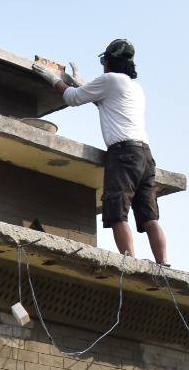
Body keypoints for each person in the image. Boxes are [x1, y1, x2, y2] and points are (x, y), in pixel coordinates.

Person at [48, 39, 169, 267]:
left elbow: (73, 98)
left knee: (117, 211)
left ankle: (129, 263)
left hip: (123, 154)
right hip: (145, 156)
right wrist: (80, 83)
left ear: (109, 62)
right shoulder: (135, 88)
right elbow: (104, 102)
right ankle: (164, 264)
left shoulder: (109, 80)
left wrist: (52, 79)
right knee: (149, 216)